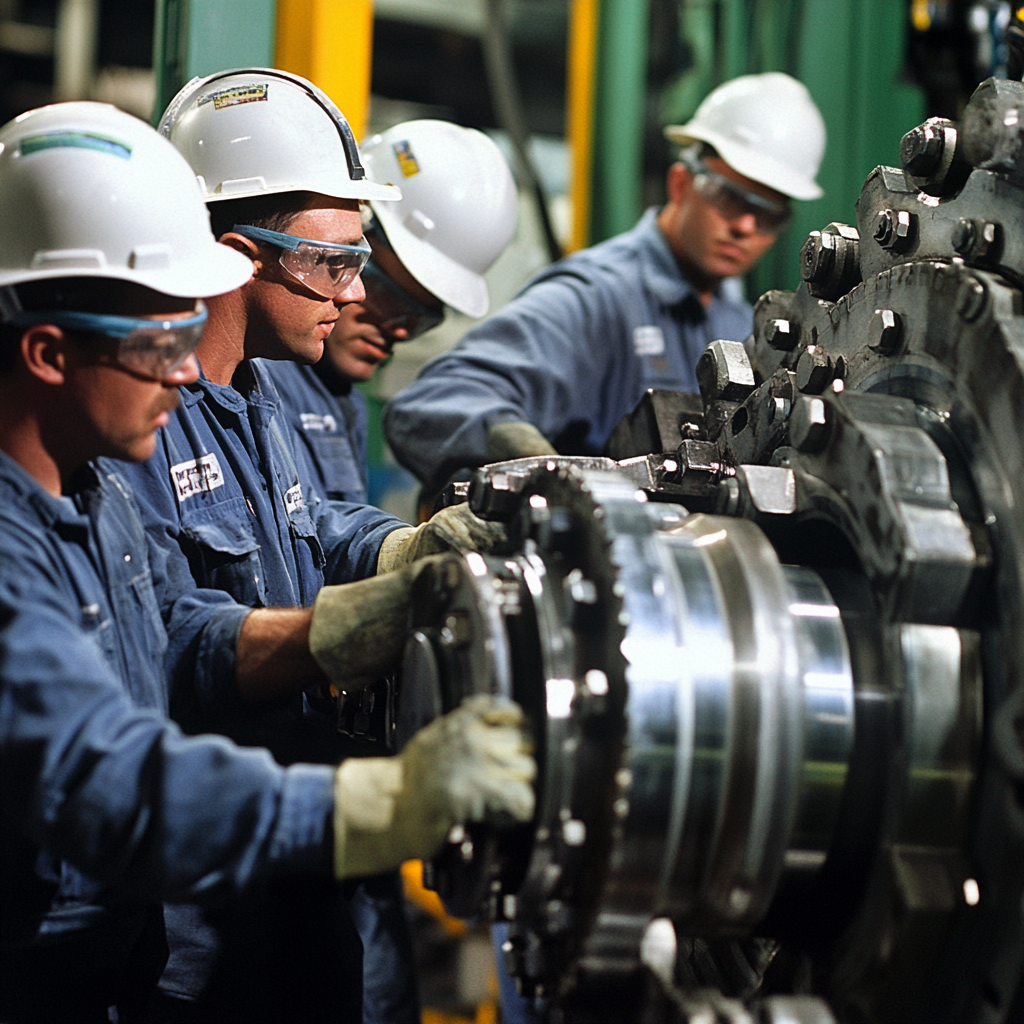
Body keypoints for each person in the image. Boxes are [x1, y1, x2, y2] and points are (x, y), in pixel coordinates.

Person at [0, 100, 535, 1024]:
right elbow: (111, 770)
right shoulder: (35, 533)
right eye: (156, 343)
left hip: (163, 938)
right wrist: (372, 803)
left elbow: (210, 600)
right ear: (48, 351)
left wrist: (385, 575)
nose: (181, 372)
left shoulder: (101, 487)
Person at [383, 73, 827, 496]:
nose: (746, 225)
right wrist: (538, 465)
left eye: (768, 213)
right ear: (680, 183)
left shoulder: (738, 323)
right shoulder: (598, 299)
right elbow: (432, 403)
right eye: (729, 196)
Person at [265, 118, 518, 506]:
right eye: (391, 299)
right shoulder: (261, 385)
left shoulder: (342, 399)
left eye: (419, 319)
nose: (399, 331)